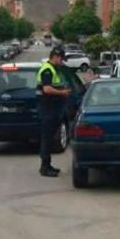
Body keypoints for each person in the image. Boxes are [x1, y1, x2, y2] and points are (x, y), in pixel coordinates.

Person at [36, 47, 70, 177]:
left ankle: (48, 165)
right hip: (47, 109)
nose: (62, 61)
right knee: (46, 138)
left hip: (51, 109)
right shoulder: (47, 70)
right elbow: (47, 89)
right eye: (61, 59)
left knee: (49, 138)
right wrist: (62, 93)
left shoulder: (53, 69)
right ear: (55, 57)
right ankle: (44, 167)